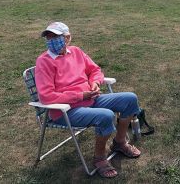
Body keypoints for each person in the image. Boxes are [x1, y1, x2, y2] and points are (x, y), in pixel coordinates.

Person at [35, 22, 141, 178]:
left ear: (67, 38)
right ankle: (99, 158)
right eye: (48, 37)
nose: (51, 40)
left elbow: (95, 70)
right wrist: (79, 96)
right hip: (65, 110)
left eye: (56, 37)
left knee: (130, 99)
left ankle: (119, 142)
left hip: (90, 99)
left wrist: (95, 83)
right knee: (106, 115)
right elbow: (46, 95)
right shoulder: (44, 61)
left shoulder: (76, 52)